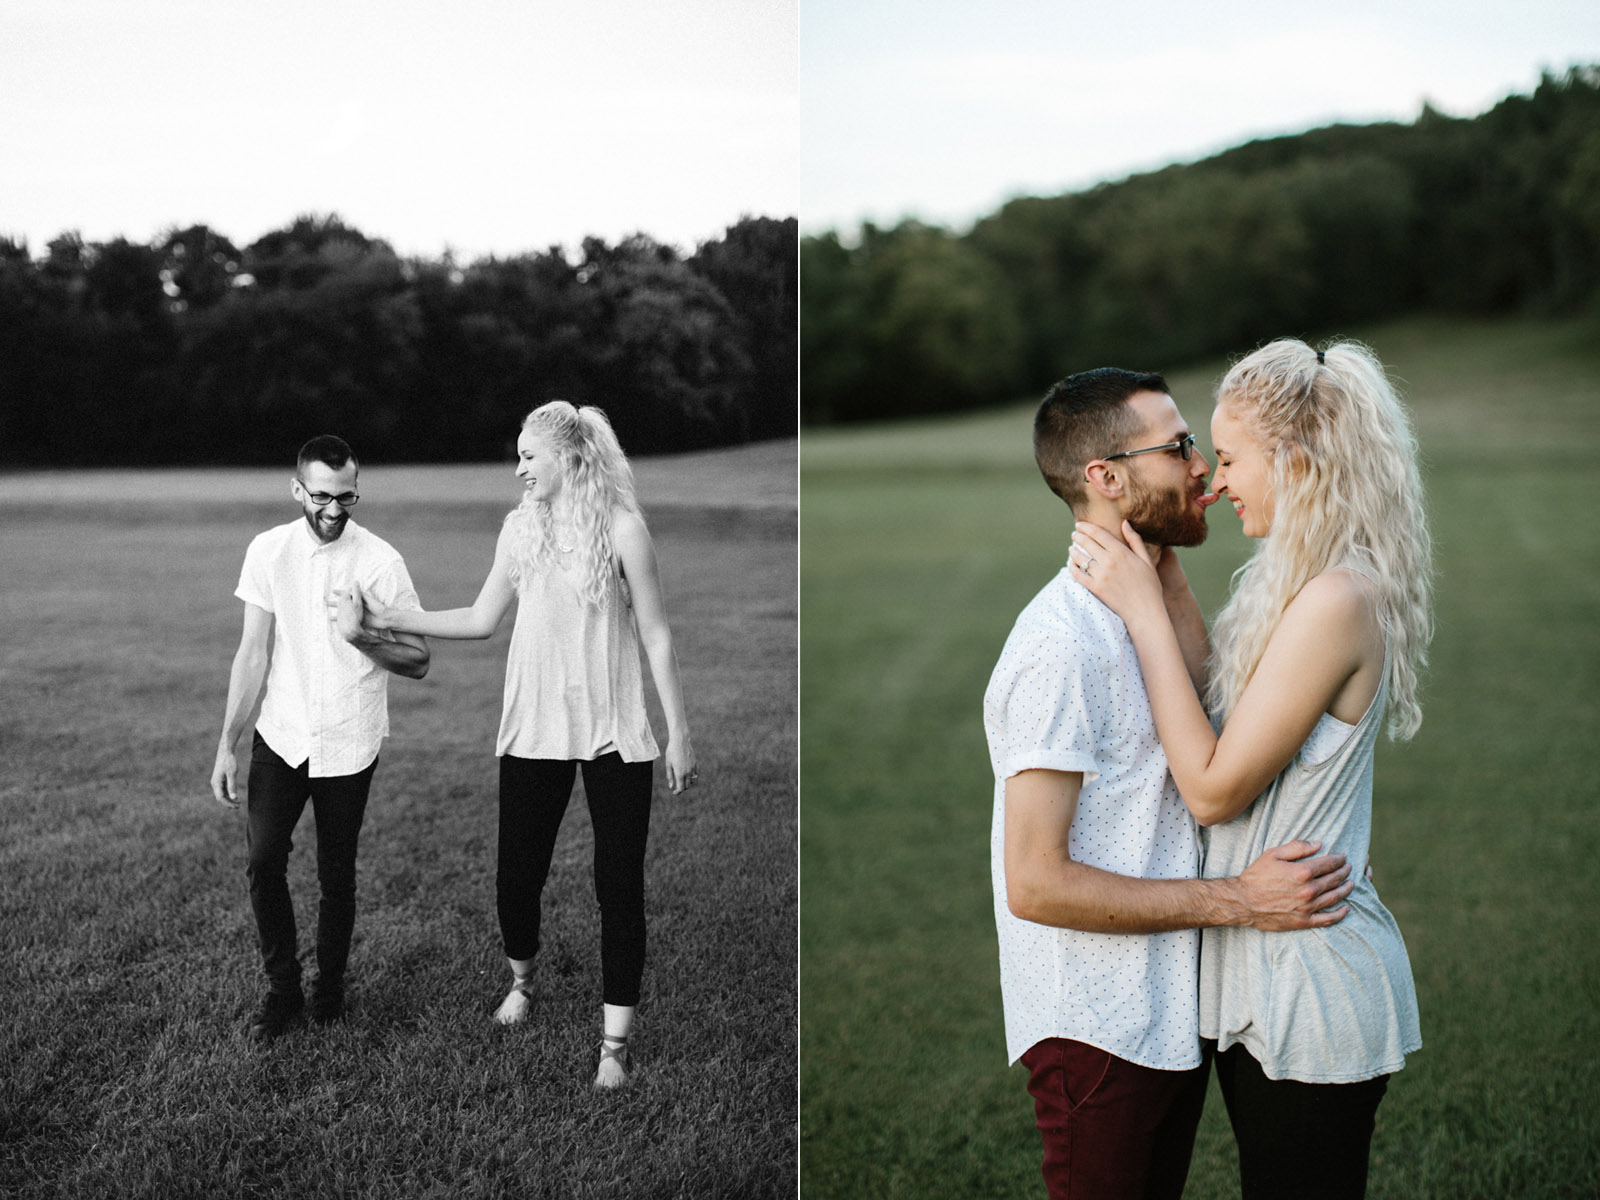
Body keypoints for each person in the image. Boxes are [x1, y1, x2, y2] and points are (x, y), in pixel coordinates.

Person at [986, 367, 1358, 1200]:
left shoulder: (1141, 612)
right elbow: (1035, 883)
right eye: (1181, 448)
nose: (1203, 469)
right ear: (1106, 479)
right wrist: (1241, 900)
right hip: (1097, 1031)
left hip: (1169, 1015)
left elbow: (1229, 746)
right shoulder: (1059, 645)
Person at [1070, 340, 1429, 1199]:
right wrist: (1171, 580)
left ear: (1296, 461)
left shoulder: (1339, 598)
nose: (1218, 481)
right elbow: (1227, 724)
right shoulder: (1298, 579)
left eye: (1231, 460)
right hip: (1263, 962)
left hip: (1311, 975)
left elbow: (1212, 786)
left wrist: (1144, 610)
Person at [350, 399, 695, 1089]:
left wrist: (678, 728)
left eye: (528, 456)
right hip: (533, 727)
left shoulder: (624, 530)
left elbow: (655, 633)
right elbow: (481, 619)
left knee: (618, 888)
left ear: (567, 457)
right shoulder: (519, 530)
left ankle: (615, 1046)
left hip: (615, 733)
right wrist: (390, 615)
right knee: (517, 877)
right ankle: (523, 980)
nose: (519, 469)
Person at [210, 435, 430, 1042]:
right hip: (280, 735)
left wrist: (361, 635)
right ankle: (282, 991)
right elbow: (253, 651)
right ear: (297, 489)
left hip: (349, 739)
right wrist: (228, 743)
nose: (335, 510)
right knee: (262, 863)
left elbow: (418, 659)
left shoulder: (381, 561)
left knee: (338, 873)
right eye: (323, 497)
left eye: (348, 496)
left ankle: (329, 989)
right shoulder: (268, 551)